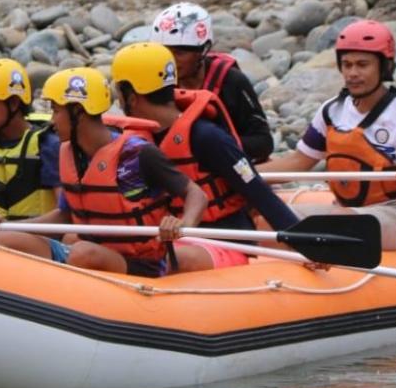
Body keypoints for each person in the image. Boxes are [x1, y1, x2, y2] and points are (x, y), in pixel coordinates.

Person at [0, 67, 208, 278]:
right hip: (89, 253)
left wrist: (182, 224)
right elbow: (66, 215)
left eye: (56, 111)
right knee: (5, 239)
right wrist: (9, 225)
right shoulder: (70, 154)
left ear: (78, 111)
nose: (52, 121)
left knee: (82, 253)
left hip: (141, 264)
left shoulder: (138, 154)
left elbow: (195, 194)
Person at [258, 20, 396, 251]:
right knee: (266, 221)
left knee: (338, 223)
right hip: (343, 208)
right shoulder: (332, 111)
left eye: (363, 65)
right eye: (347, 64)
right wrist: (240, 176)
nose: (353, 73)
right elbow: (298, 162)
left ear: (383, 67)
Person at [111, 42, 300, 272]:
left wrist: (301, 242)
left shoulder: (207, 137)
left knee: (168, 258)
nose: (118, 101)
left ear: (131, 96)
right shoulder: (137, 140)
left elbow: (260, 194)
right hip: (177, 239)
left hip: (226, 241)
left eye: (119, 91)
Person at [151, 2, 273, 163]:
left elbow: (263, 143)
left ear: (203, 50)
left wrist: (213, 146)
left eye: (179, 53)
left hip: (226, 164)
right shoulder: (154, 80)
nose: (170, 62)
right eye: (163, 52)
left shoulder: (231, 81)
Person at [0, 59, 60, 221]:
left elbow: (63, 214)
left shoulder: (48, 145)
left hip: (40, 242)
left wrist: (10, 230)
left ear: (14, 103)